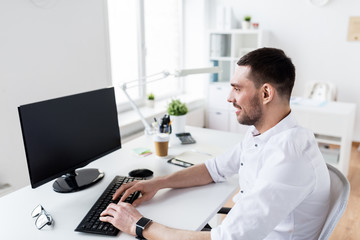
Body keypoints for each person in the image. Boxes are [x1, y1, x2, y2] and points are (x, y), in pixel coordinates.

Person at [100, 48, 331, 240]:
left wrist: (139, 226)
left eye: (237, 88)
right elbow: (214, 169)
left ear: (266, 93)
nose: (229, 97)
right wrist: (158, 183)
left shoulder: (289, 156)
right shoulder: (262, 133)